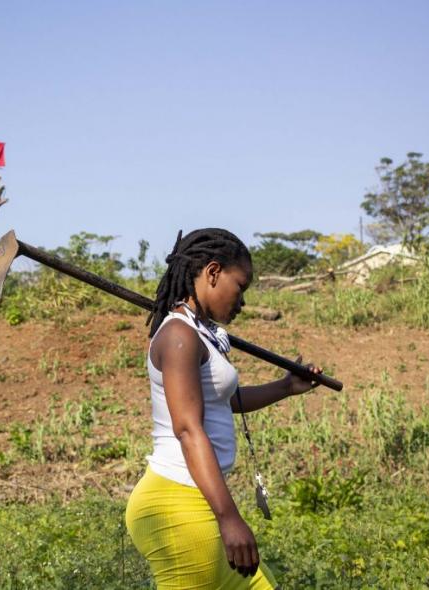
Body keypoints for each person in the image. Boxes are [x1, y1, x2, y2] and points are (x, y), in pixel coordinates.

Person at [125, 228, 322, 589]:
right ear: (213, 272)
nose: (242, 302)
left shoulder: (201, 334)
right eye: (241, 286)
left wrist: (285, 387)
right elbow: (188, 429)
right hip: (176, 503)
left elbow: (224, 402)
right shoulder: (180, 336)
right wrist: (230, 517)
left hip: (198, 499)